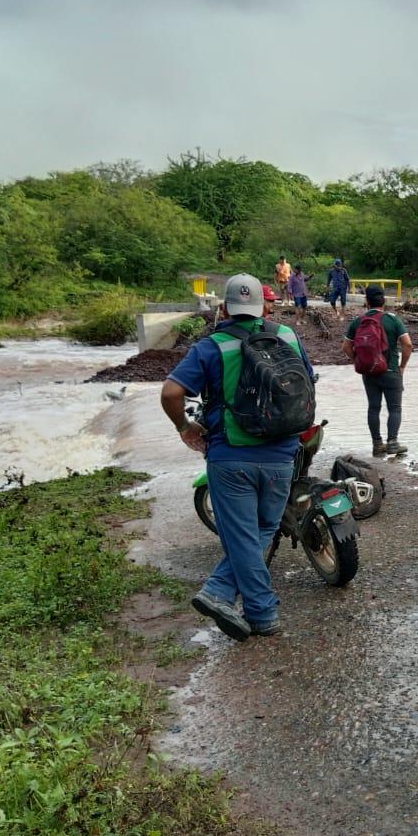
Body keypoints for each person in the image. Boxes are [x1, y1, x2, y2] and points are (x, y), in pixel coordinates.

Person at [160, 273, 315, 640]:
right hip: (282, 454)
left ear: (225, 307)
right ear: (263, 306)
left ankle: (248, 607)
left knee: (244, 535)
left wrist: (184, 426)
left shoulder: (211, 346)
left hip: (231, 456)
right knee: (262, 529)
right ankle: (232, 598)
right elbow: (307, 381)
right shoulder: (288, 336)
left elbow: (170, 393)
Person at [344, 284, 413, 457]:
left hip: (369, 372)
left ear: (366, 302)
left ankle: (377, 444)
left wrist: (357, 361)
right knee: (395, 409)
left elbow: (346, 346)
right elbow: (408, 344)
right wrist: (402, 366)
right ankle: (392, 443)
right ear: (383, 301)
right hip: (391, 371)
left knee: (373, 408)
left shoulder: (358, 321)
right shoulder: (393, 319)